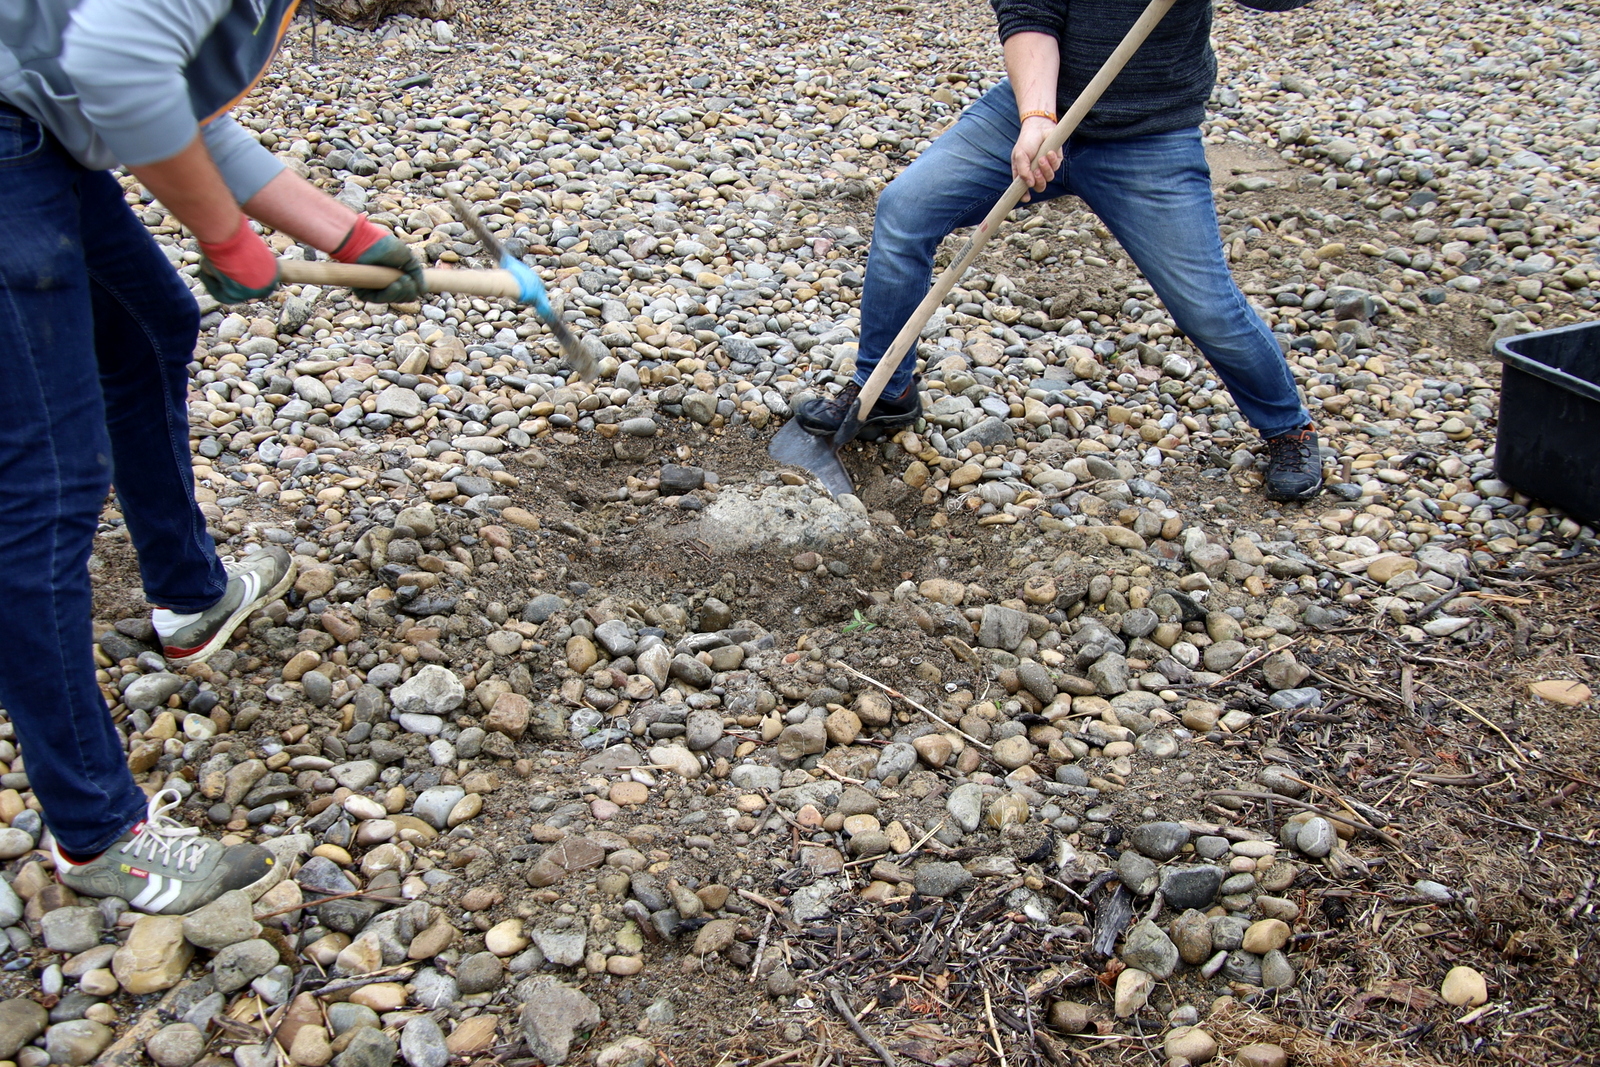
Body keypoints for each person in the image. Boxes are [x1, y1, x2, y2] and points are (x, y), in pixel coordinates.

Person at [0, 0, 424, 913]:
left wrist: (348, 237)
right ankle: (98, 831)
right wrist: (225, 235)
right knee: (47, 484)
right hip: (11, 134)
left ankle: (191, 598)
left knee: (152, 326)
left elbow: (176, 112)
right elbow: (119, 76)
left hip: (39, 126)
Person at [794, 0, 1325, 502]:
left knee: (1206, 305)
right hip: (1031, 114)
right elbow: (1030, 13)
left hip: (1148, 136)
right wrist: (1037, 117)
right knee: (905, 210)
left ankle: (1287, 427)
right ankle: (884, 390)